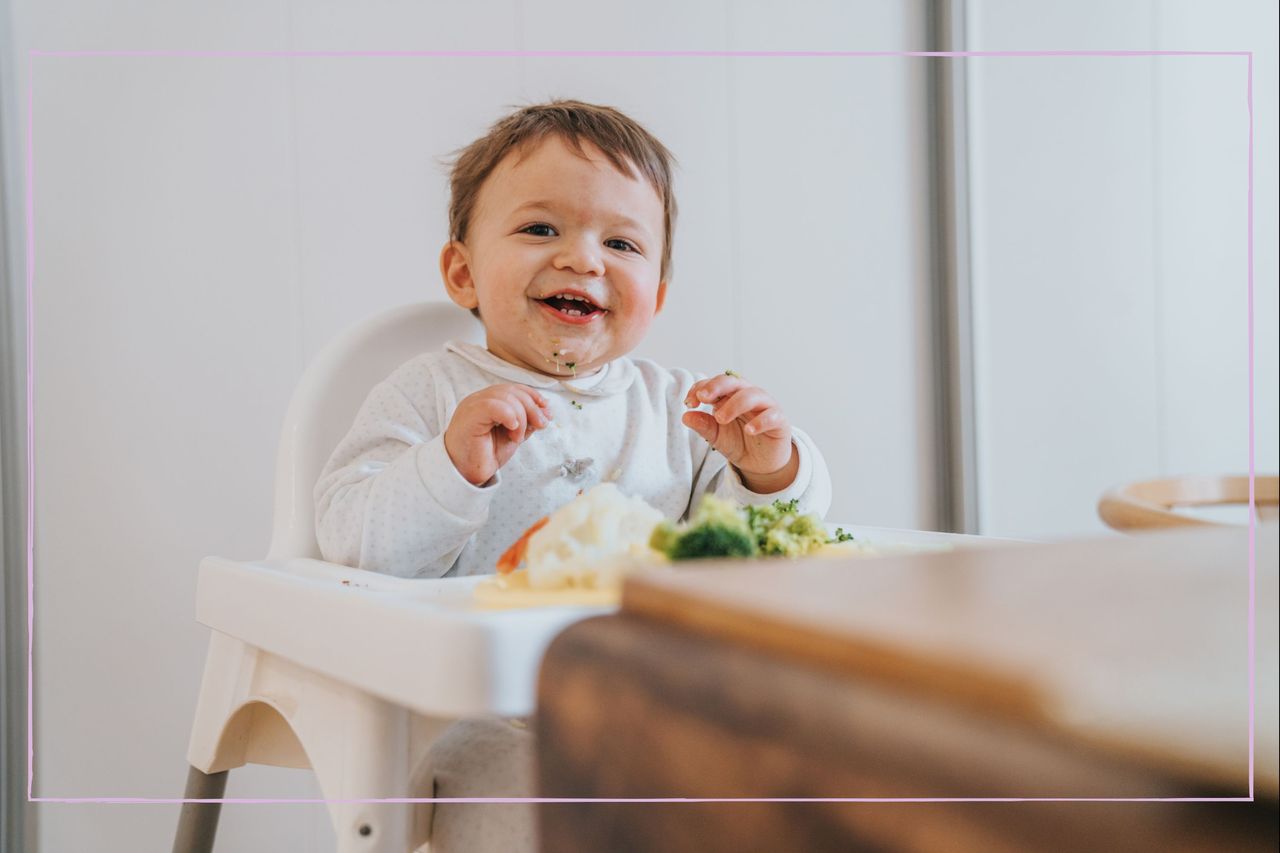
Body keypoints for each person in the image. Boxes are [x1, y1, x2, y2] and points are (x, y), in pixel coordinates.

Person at [314, 99, 832, 852]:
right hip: (475, 709)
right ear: (462, 271)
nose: (584, 259)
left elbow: (757, 553)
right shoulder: (429, 394)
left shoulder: (677, 408)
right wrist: (448, 468)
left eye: (621, 242)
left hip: (656, 702)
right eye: (539, 229)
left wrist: (767, 468)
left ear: (654, 295)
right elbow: (351, 538)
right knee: (543, 806)